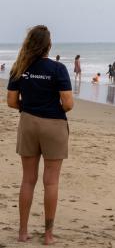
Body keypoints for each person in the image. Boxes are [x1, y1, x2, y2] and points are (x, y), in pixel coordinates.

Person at [6, 25, 73, 245]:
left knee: (28, 180)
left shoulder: (19, 67)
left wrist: (31, 107)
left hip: (28, 123)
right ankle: (48, 235)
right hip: (53, 124)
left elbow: (11, 102)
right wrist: (51, 110)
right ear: (48, 45)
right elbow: (68, 104)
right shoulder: (58, 69)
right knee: (51, 182)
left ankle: (23, 233)